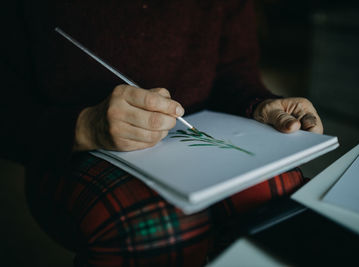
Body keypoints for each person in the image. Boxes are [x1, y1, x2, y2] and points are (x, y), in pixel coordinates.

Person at [1, 0, 322, 266]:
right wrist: (84, 127)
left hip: (199, 127)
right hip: (71, 147)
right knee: (158, 230)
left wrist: (262, 105)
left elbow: (235, 73)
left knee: (281, 190)